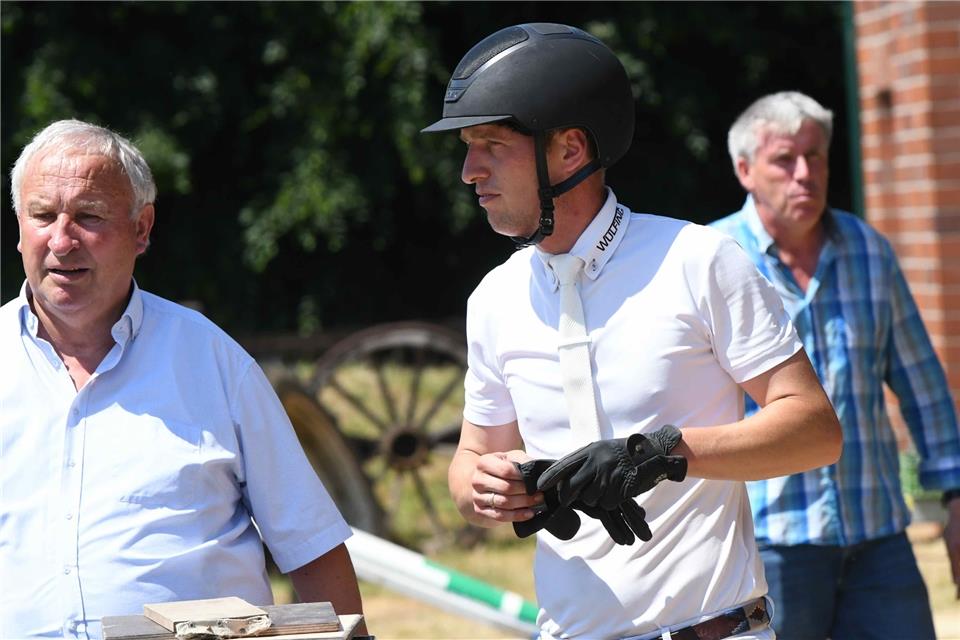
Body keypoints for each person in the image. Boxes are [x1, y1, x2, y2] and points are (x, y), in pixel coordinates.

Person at [423, 24, 842, 640]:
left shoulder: (699, 260)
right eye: (466, 145)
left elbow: (815, 432)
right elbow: (471, 461)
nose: (468, 171)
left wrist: (661, 455)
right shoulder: (493, 299)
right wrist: (483, 489)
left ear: (570, 151)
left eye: (491, 144)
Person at [0, 120, 366, 639]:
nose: (62, 240)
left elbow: (310, 547)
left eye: (89, 216)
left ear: (142, 228)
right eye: (42, 216)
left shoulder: (214, 362)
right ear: (19, 226)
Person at [711, 91, 960, 640]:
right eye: (785, 159)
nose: (804, 173)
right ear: (745, 170)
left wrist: (955, 496)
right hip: (768, 543)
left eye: (815, 155)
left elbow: (923, 387)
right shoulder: (710, 260)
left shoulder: (869, 250)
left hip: (879, 542)